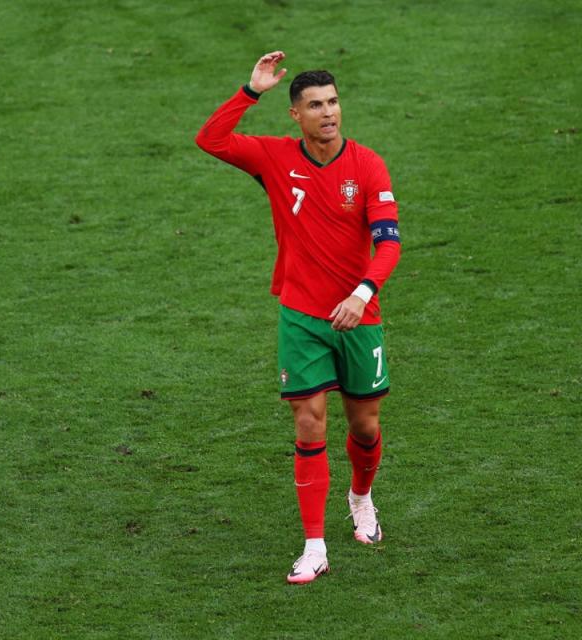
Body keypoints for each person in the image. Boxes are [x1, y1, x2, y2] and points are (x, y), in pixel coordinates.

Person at [195, 51, 401, 584]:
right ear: (296, 114)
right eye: (315, 105)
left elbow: (388, 244)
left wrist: (361, 292)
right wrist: (251, 89)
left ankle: (361, 498)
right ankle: (314, 546)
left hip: (361, 317)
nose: (328, 113)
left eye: (333, 102)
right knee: (310, 422)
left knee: (365, 424)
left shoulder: (368, 165)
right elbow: (210, 140)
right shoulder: (273, 158)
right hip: (302, 317)